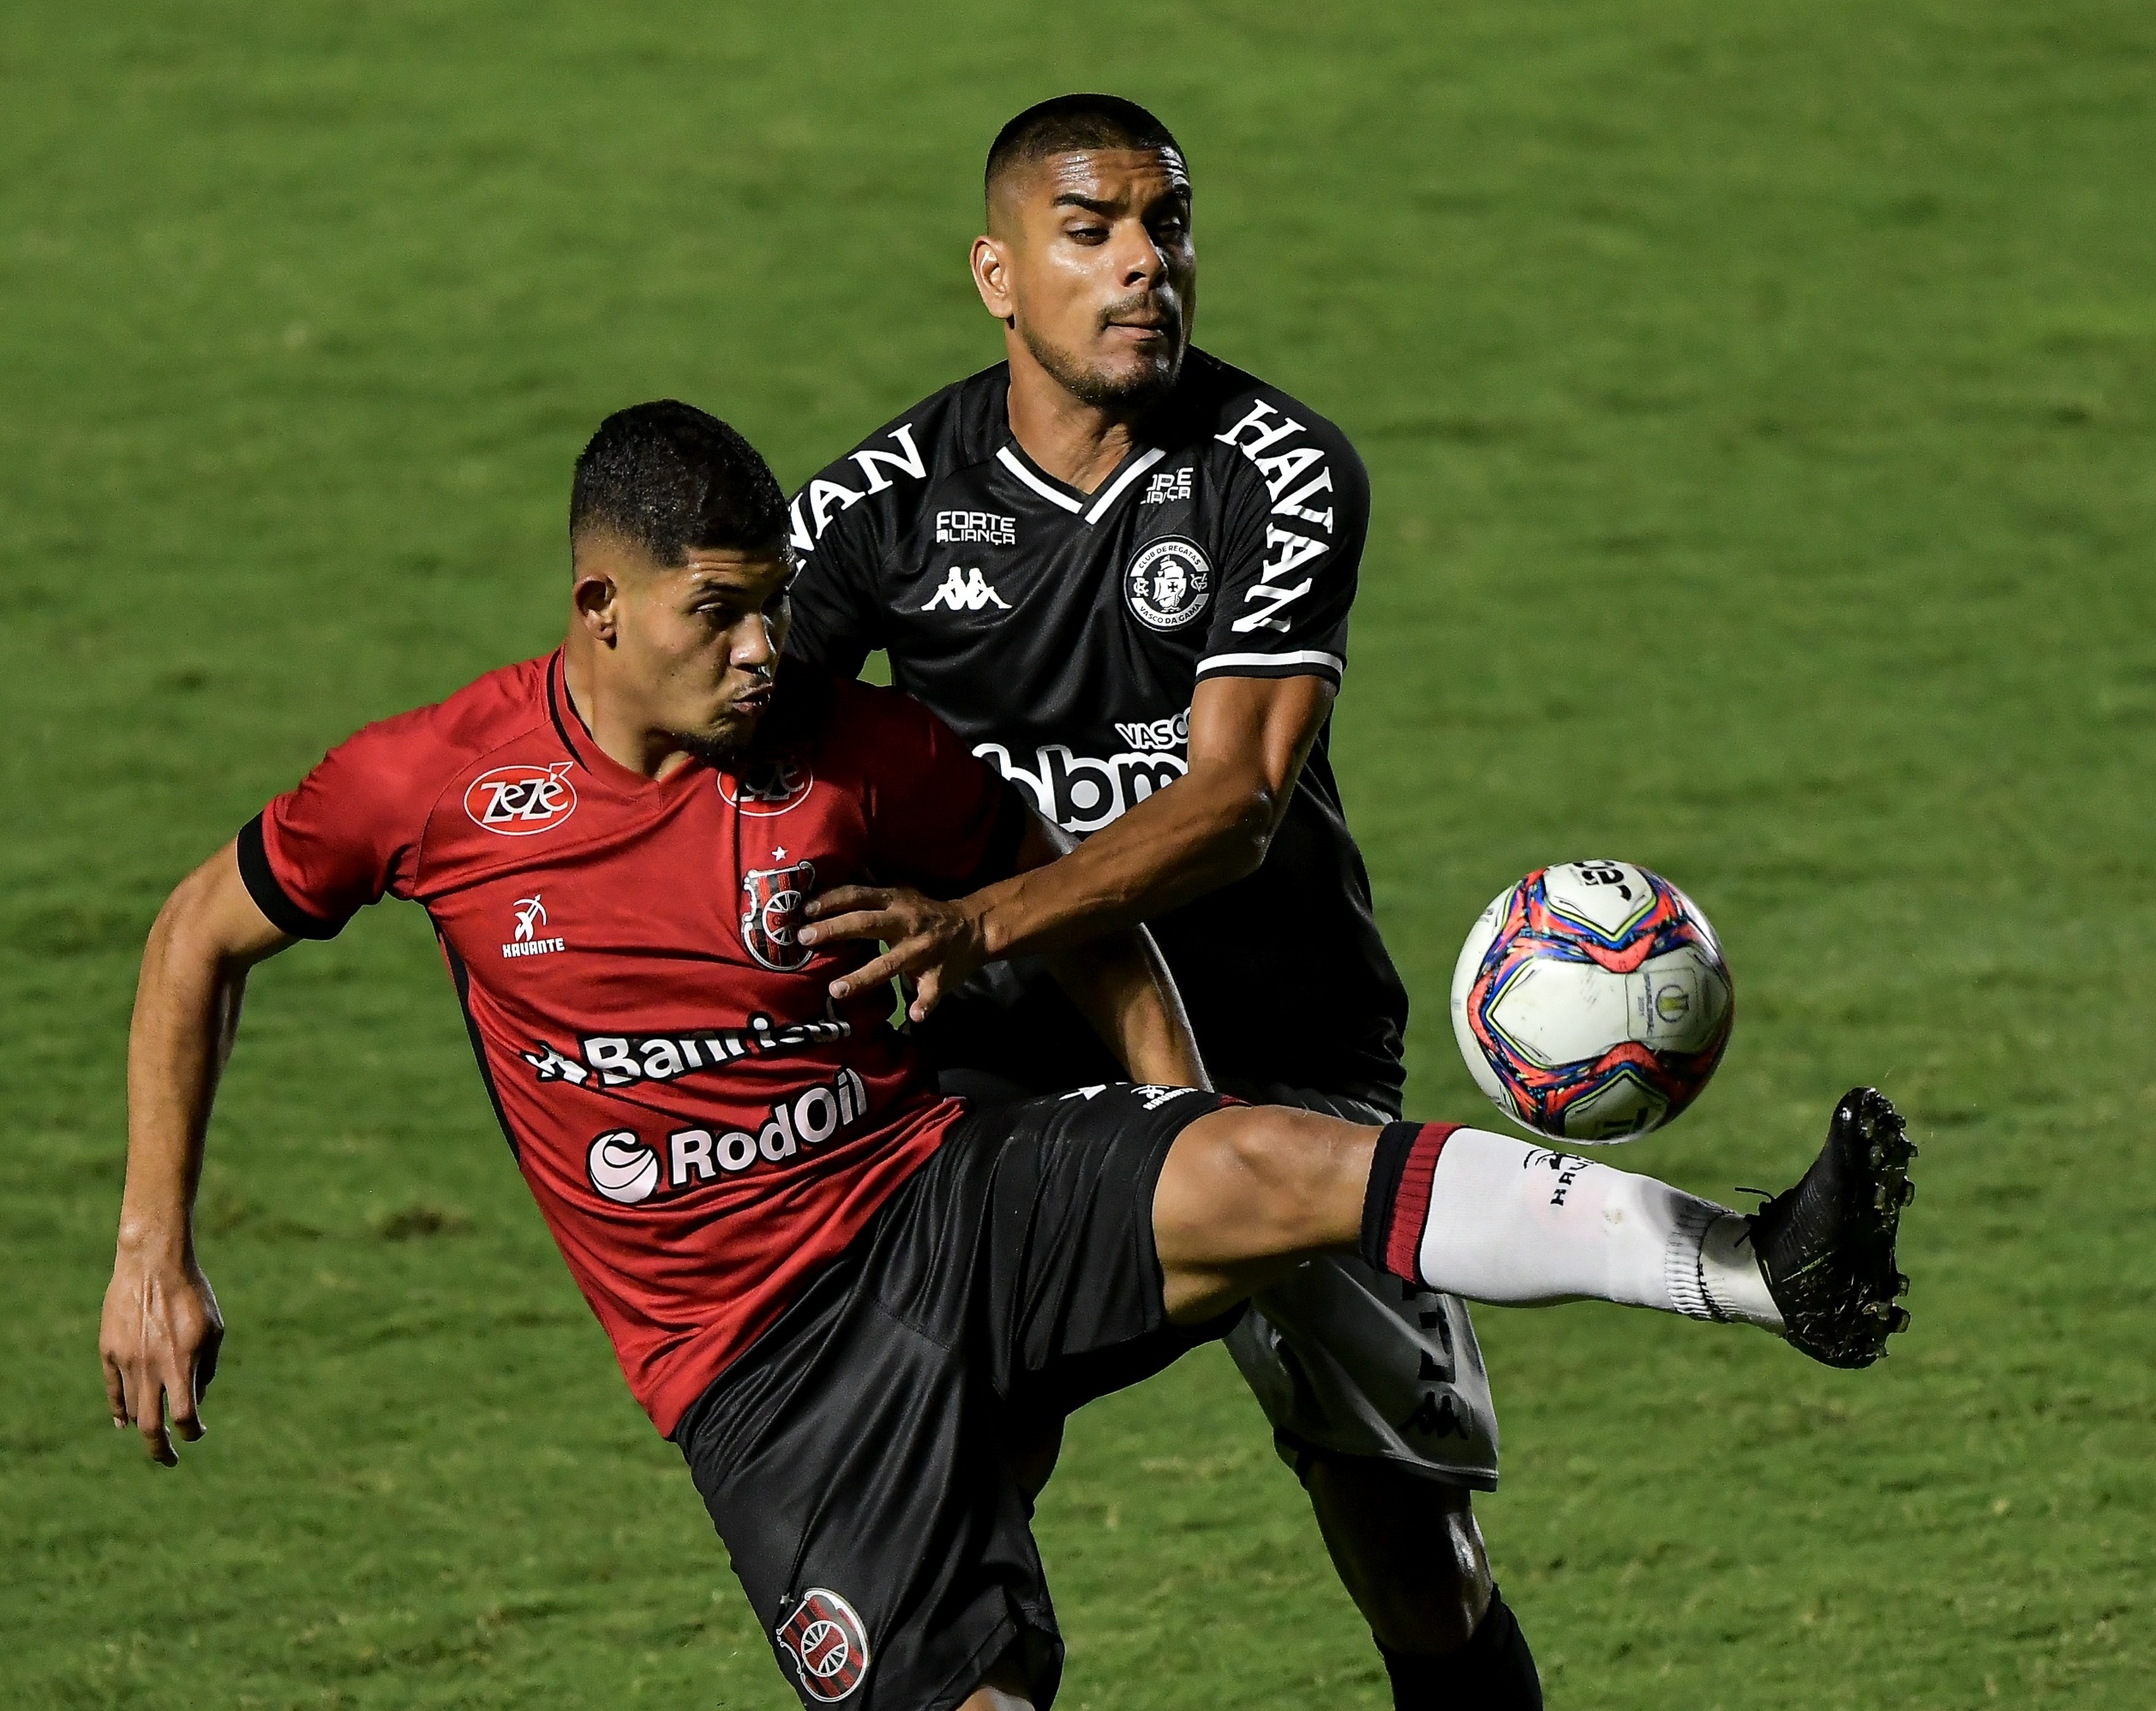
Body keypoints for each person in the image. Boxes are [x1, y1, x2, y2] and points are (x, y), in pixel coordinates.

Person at [101, 402, 1915, 1711]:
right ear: (598, 609)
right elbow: (199, 933)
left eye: (770, 606)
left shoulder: (863, 755)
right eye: (717, 614)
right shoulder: (428, 790)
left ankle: (1759, 1263)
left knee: (1274, 1169)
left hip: (939, 1203)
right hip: (760, 1377)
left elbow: (1088, 912)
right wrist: (152, 1252)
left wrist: (1170, 1108)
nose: (764, 648)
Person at [785, 92, 1548, 1704]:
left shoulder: (1276, 465)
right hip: (1003, 1064)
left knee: (1411, 1559)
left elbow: (1235, 810)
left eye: (1168, 226)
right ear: (999, 275)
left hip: (1284, 1046)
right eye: (1093, 232)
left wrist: (980, 913)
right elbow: (720, 725)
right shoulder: (879, 506)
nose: (1145, 265)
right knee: (947, 1500)